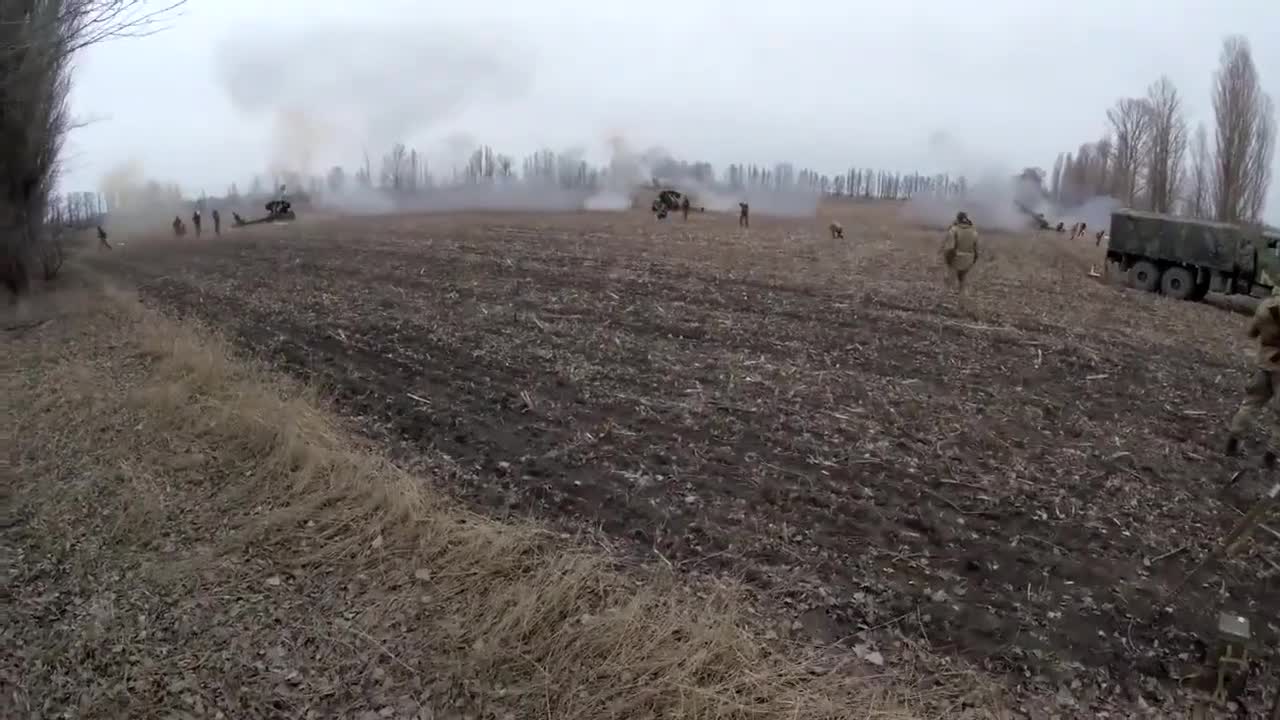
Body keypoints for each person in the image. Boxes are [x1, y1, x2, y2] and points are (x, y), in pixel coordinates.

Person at [1226, 264, 1280, 463]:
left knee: (1250, 405)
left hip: (1264, 362)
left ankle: (1233, 441)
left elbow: (1251, 333)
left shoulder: (1264, 307)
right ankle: (1271, 456)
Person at [942, 211, 980, 296]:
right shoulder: (974, 231)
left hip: (955, 259)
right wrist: (972, 262)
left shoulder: (954, 230)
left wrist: (948, 260)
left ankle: (944, 298)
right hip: (968, 260)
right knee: (962, 281)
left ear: (957, 219)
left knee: (948, 281)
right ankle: (963, 301)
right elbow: (976, 251)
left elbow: (950, 248)